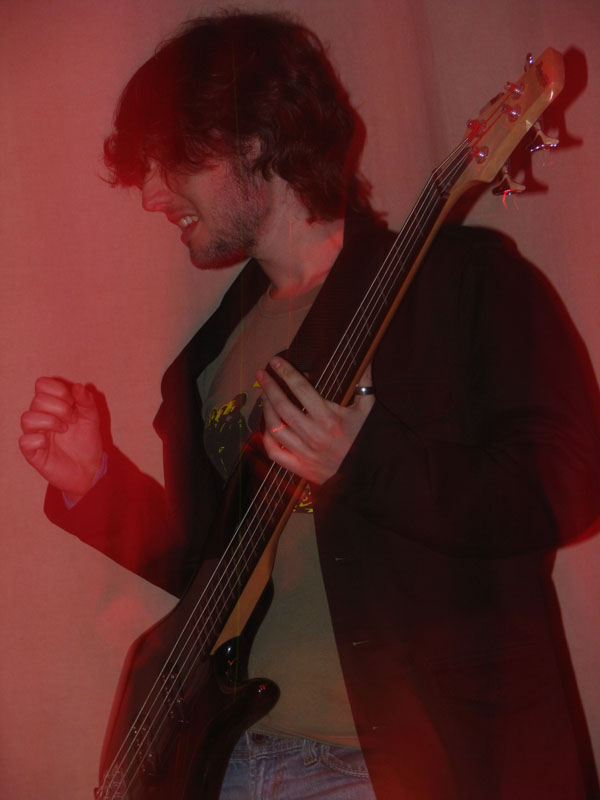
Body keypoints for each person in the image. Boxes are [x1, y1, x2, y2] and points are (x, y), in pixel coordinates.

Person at [18, 11, 600, 800]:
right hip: (227, 759)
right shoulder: (207, 363)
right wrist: (95, 482)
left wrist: (369, 462)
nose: (151, 194)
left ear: (255, 141)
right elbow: (214, 570)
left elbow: (570, 483)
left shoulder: (462, 284)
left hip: (405, 765)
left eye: (169, 161)